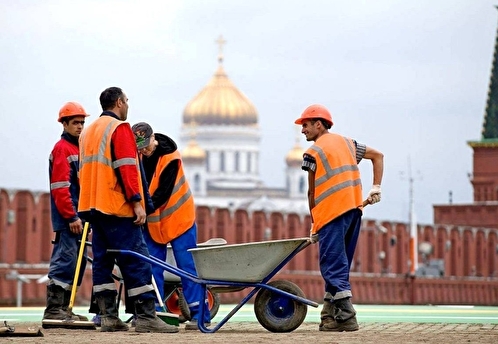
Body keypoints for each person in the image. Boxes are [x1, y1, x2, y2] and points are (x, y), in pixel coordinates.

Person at [78, 87, 178, 333]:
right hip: (116, 207)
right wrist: (137, 202)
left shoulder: (88, 131)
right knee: (136, 260)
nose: (128, 106)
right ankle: (145, 317)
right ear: (120, 102)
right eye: (127, 101)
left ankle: (108, 317)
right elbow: (127, 167)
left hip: (92, 206)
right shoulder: (119, 129)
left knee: (102, 261)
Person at [294, 104, 384, 332]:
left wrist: (314, 224)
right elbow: (378, 156)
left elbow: (312, 192)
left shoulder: (312, 153)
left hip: (332, 214)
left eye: (305, 125)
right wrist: (376, 187)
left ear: (318, 124)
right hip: (354, 211)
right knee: (339, 266)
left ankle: (347, 315)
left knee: (332, 266)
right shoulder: (348, 143)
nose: (302, 130)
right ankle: (330, 316)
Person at [131, 122, 211, 331]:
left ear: (153, 139)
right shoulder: (138, 157)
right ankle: (155, 314)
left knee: (187, 267)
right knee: (151, 266)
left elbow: (162, 194)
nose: (144, 151)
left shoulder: (171, 158)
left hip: (179, 218)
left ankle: (200, 315)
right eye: (139, 148)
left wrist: (140, 210)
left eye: (146, 147)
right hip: (155, 221)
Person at [43, 102, 91, 323]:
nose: (80, 126)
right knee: (65, 260)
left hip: (80, 218)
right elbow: (61, 188)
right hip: (69, 219)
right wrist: (71, 216)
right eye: (75, 123)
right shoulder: (63, 149)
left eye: (82, 122)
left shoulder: (79, 149)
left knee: (76, 263)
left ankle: (66, 309)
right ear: (64, 124)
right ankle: (54, 309)